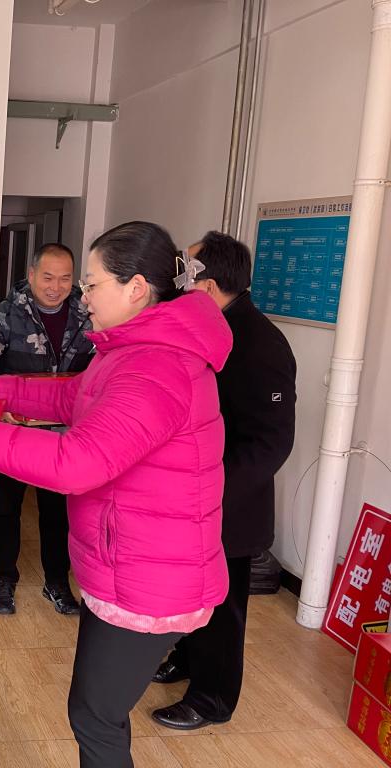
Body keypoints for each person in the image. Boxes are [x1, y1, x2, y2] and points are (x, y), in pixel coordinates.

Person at [0, 221, 233, 768]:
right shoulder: (134, 349)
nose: (81, 296)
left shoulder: (155, 366)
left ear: (136, 288)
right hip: (129, 561)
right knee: (97, 711)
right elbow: (75, 398)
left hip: (149, 576)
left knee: (95, 716)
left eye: (90, 283)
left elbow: (77, 462)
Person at [151, 231, 296, 730]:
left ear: (209, 286)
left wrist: (212, 491)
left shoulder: (260, 344)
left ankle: (213, 699)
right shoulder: (209, 329)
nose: (177, 284)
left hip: (229, 505)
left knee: (223, 605)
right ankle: (187, 661)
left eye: (186, 275)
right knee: (195, 595)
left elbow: (271, 443)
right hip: (198, 495)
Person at [0, 243, 95, 616]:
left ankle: (57, 582)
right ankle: (4, 580)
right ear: (32, 274)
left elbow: (105, 366)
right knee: (7, 507)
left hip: (65, 435)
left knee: (58, 512)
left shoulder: (89, 314)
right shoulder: (4, 315)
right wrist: (2, 406)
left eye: (65, 279)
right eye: (48, 277)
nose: (56, 287)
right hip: (15, 431)